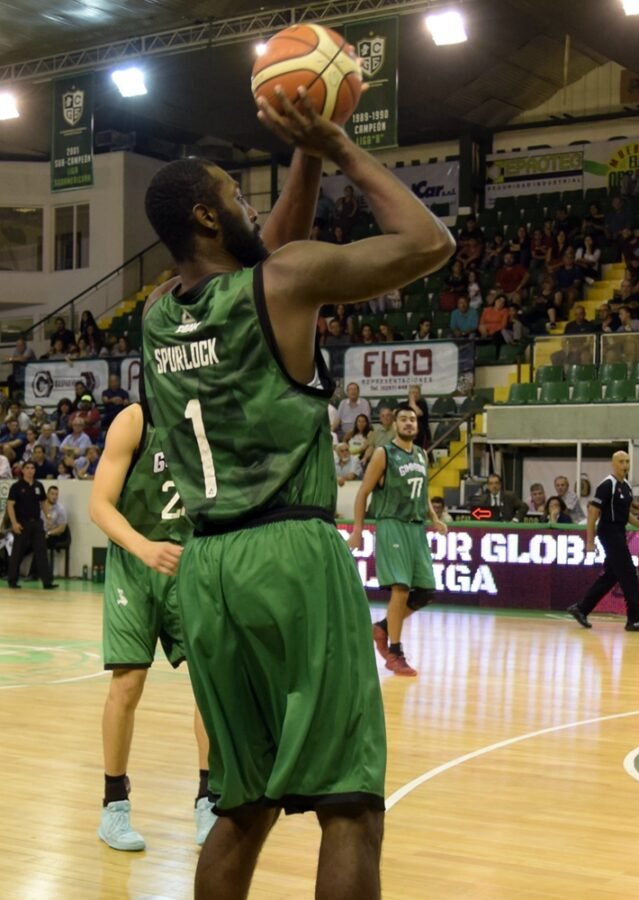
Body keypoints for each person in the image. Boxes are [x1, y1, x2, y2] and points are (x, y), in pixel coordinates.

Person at [139, 86, 453, 897]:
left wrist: (303, 155)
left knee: (242, 804)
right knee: (349, 805)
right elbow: (428, 243)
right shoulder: (283, 284)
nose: (251, 207)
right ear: (208, 218)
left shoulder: (156, 315)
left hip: (205, 571)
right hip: (290, 554)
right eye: (234, 195)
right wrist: (340, 147)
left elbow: (264, 251)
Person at [88, 401, 215, 851]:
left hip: (192, 564)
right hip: (136, 565)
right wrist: (143, 548)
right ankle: (113, 806)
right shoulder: (134, 420)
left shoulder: (210, 414)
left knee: (209, 685)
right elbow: (99, 505)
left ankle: (209, 798)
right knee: (127, 684)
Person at [349, 404, 447, 678]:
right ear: (394, 425)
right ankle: (394, 652)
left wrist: (433, 518)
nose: (408, 423)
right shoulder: (384, 453)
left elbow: (423, 490)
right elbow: (363, 493)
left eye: (412, 419)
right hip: (392, 523)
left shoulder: (420, 454)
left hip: (416, 528)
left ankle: (381, 628)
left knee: (426, 592)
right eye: (403, 419)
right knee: (401, 588)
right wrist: (358, 530)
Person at [566, 451, 639, 632]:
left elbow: (625, 514)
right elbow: (592, 513)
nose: (625, 465)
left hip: (619, 532)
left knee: (611, 575)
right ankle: (635, 619)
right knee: (629, 574)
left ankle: (581, 608)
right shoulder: (607, 485)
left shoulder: (626, 486)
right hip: (609, 532)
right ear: (613, 464)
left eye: (627, 461)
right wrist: (589, 542)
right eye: (621, 461)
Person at [6, 461, 55, 590]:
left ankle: (47, 582)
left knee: (41, 552)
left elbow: (44, 502)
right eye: (27, 468)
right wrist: (14, 523)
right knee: (17, 553)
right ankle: (12, 580)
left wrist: (48, 516)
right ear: (22, 470)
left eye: (32, 468)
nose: (30, 470)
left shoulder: (39, 485)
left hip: (37, 523)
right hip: (22, 523)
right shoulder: (16, 487)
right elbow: (10, 505)